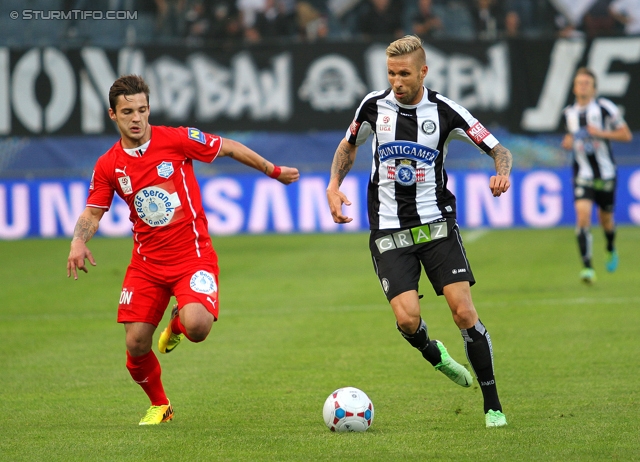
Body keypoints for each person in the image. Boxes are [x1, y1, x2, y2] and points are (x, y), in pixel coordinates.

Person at [66, 74, 299, 425]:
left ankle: (176, 323)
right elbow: (93, 210)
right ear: (113, 115)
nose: (136, 118)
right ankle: (161, 405)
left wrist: (273, 170)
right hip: (146, 264)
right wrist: (79, 240)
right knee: (136, 343)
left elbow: (229, 147)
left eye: (142, 110)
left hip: (193, 256)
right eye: (127, 111)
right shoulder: (108, 164)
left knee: (199, 328)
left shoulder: (176, 139)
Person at [326, 35, 511, 428]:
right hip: (389, 230)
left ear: (423, 71)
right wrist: (333, 186)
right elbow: (348, 145)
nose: (397, 81)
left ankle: (493, 405)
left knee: (463, 311)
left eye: (405, 74)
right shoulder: (373, 106)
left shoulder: (445, 110)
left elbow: (497, 148)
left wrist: (502, 171)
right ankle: (435, 354)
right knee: (408, 320)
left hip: (436, 225)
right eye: (391, 73)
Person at [561, 67, 632, 284]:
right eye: (579, 83)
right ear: (574, 87)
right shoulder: (569, 113)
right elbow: (568, 141)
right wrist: (568, 142)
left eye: (587, 83)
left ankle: (610, 246)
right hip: (582, 173)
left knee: (606, 219)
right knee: (582, 216)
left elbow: (626, 135)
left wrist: (600, 133)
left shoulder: (604, 108)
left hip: (606, 173)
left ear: (594, 88)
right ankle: (587, 267)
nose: (582, 86)